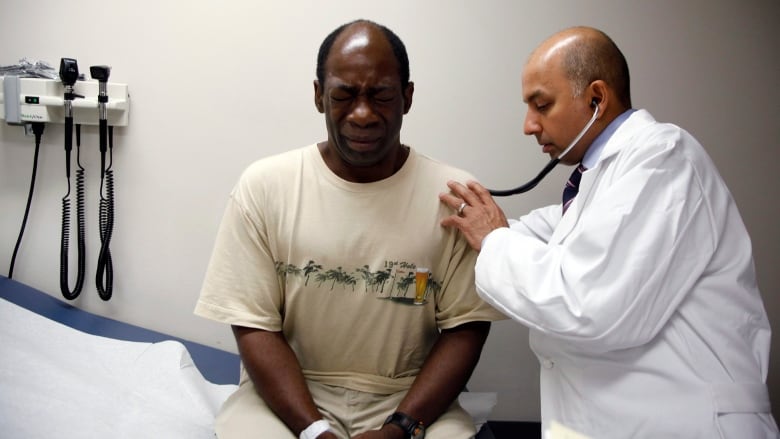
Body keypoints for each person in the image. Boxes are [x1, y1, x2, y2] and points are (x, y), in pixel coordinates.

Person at [440, 26, 779, 438]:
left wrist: (493, 239)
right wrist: (463, 228)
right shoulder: (595, 189)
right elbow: (534, 234)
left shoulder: (663, 158)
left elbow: (588, 306)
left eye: (541, 105)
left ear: (597, 99)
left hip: (688, 423)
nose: (529, 125)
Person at [195, 19, 504, 439]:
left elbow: (465, 327)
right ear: (319, 96)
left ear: (407, 98)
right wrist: (313, 430)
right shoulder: (265, 187)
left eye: (381, 95)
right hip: (290, 396)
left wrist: (400, 427)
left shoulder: (453, 199)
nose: (363, 113)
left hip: (408, 398)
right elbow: (253, 325)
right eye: (344, 95)